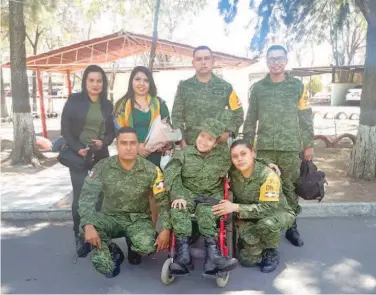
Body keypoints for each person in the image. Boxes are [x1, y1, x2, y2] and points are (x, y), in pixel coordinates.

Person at [242, 45, 314, 247]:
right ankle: (266, 226)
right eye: (272, 59)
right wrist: (247, 145)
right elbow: (251, 118)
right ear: (267, 61)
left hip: (291, 147)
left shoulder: (297, 87)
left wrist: (308, 145)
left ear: (286, 61)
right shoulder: (258, 88)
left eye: (279, 58)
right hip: (264, 148)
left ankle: (292, 227)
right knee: (265, 188)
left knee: (290, 189)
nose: (276, 62)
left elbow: (305, 116)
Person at [78, 127, 171, 278]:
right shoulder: (103, 167)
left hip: (138, 219)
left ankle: (133, 245)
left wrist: (165, 229)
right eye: (124, 143)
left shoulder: (151, 170)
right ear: (117, 145)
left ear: (138, 145)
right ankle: (113, 251)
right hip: (110, 218)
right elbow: (87, 196)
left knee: (147, 246)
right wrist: (88, 225)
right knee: (100, 257)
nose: (128, 148)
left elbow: (162, 200)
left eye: (133, 143)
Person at [164, 118, 238, 276]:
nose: (204, 141)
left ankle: (214, 257)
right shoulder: (184, 153)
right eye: (202, 136)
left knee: (206, 212)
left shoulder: (223, 157)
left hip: (210, 197)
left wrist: (267, 164)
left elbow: (244, 159)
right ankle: (182, 258)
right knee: (178, 210)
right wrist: (178, 195)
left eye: (210, 139)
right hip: (187, 195)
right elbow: (171, 174)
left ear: (216, 143)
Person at [212, 139, 295, 273]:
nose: (240, 159)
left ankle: (271, 250)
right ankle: (253, 244)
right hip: (249, 213)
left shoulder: (268, 176)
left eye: (244, 154)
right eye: (235, 156)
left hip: (276, 213)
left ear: (253, 153)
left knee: (267, 224)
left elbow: (268, 209)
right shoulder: (233, 171)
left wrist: (236, 208)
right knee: (246, 260)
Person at [61, 65, 115, 249]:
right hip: (78, 157)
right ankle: (80, 235)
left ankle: (95, 233)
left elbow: (111, 132)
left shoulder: (107, 104)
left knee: (99, 197)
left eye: (99, 80)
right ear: (85, 82)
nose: (95, 84)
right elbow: (65, 130)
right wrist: (78, 149)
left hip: (99, 156)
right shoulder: (74, 101)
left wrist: (103, 142)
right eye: (91, 80)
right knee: (80, 198)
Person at [171, 45, 244, 147]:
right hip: (191, 147)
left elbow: (238, 113)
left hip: (216, 147)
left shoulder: (225, 87)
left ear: (213, 61)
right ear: (193, 63)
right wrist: (181, 142)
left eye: (207, 58)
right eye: (198, 59)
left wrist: (229, 133)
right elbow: (176, 117)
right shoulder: (184, 87)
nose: (203, 62)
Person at [113, 66, 171, 167]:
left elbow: (168, 129)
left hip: (156, 157)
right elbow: (117, 132)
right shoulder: (121, 106)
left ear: (150, 83)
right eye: (137, 79)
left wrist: (167, 143)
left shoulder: (159, 104)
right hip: (130, 157)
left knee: (156, 182)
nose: (141, 84)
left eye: (146, 80)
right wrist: (137, 146)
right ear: (131, 81)